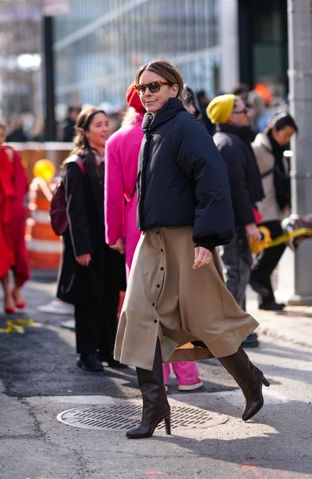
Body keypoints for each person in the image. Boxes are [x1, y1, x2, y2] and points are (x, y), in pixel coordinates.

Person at [113, 60, 269, 439]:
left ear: (173, 88)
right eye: (142, 88)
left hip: (186, 238)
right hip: (154, 239)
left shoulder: (186, 128)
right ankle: (155, 407)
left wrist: (206, 238)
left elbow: (212, 183)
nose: (147, 93)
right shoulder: (154, 128)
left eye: (154, 86)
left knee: (206, 317)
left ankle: (249, 381)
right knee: (136, 314)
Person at [105, 83, 203, 392]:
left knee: (143, 304)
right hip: (173, 219)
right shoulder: (169, 131)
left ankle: (157, 375)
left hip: (135, 221)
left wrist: (113, 234)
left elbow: (112, 195)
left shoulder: (117, 140)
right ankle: (188, 373)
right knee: (175, 298)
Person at [56, 107, 126, 372]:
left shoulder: (112, 158)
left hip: (111, 242)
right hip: (87, 243)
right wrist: (82, 248)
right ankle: (87, 353)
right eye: (98, 125)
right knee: (88, 299)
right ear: (85, 132)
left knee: (110, 296)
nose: (105, 129)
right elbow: (76, 211)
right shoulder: (77, 164)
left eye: (107, 124)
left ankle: (108, 349)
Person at [206, 94, 264, 348]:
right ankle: (230, 329)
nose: (248, 113)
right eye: (242, 110)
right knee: (237, 271)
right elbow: (236, 188)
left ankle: (237, 326)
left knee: (238, 269)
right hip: (235, 221)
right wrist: (249, 221)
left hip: (231, 219)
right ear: (230, 115)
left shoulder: (227, 140)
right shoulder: (230, 143)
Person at [250, 112, 298, 310]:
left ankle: (266, 298)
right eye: (285, 134)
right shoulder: (258, 149)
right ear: (274, 130)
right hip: (261, 209)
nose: (286, 140)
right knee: (276, 245)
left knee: (273, 247)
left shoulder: (274, 149)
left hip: (272, 207)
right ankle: (256, 278)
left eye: (290, 136)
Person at [0, 120, 30, 313]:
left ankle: (16, 289)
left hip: (12, 212)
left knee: (18, 253)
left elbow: (22, 183)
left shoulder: (11, 153)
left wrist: (22, 207)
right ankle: (8, 294)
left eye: (1, 135)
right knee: (2, 254)